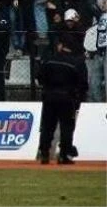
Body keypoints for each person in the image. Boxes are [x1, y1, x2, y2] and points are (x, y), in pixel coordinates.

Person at [37, 26, 89, 165]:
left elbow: (40, 77)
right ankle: (64, 155)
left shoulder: (49, 60)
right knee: (67, 127)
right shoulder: (77, 63)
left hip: (49, 96)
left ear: (60, 45)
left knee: (47, 126)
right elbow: (83, 83)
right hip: (67, 98)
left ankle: (44, 153)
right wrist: (78, 97)